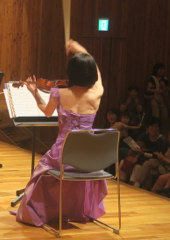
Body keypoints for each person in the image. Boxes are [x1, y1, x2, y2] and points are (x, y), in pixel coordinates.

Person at [14, 40, 106, 228]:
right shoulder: (97, 92)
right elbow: (95, 68)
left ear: (70, 73)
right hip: (89, 158)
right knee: (68, 170)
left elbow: (46, 112)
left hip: (62, 155)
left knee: (41, 170)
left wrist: (34, 93)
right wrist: (78, 48)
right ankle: (75, 210)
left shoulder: (59, 93)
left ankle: (43, 210)